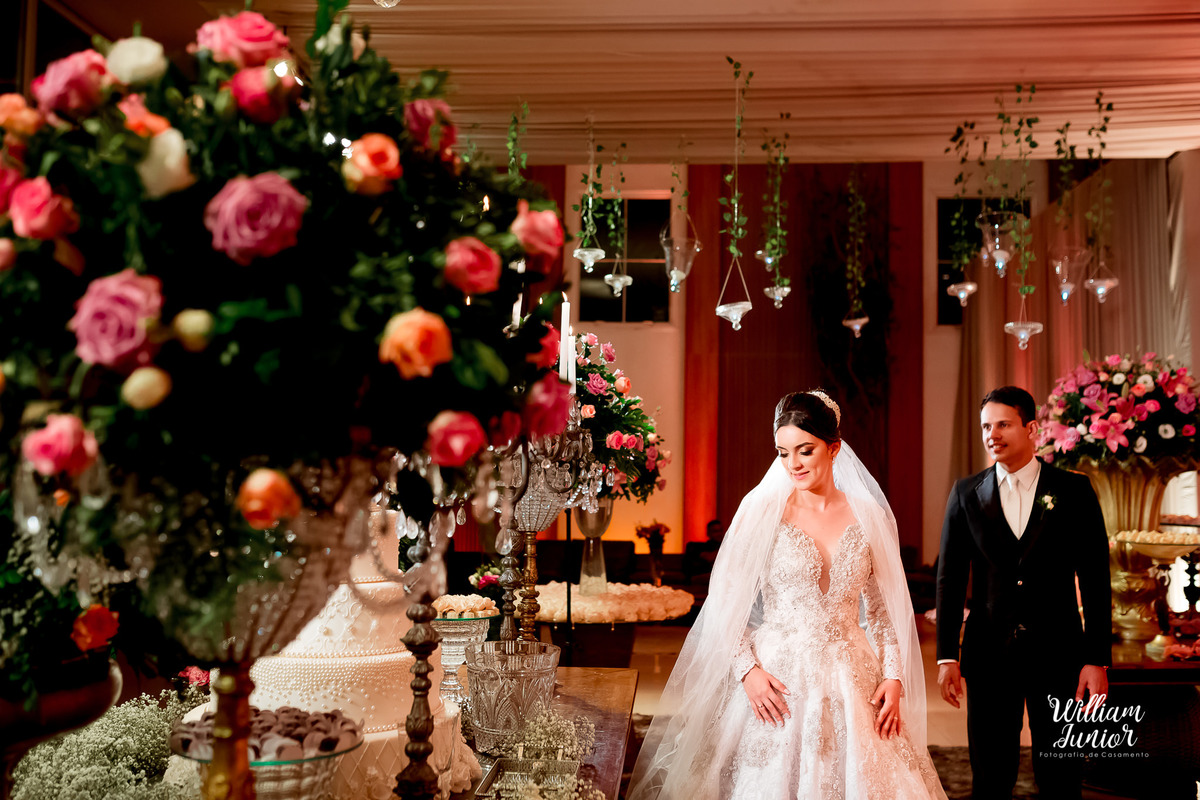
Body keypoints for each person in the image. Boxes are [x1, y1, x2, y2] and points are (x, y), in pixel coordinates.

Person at [628, 391, 947, 799]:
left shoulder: (868, 514)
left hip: (854, 682)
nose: (792, 463)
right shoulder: (762, 511)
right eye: (783, 452)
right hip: (776, 681)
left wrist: (894, 675)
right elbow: (726, 606)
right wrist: (748, 673)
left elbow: (882, 613)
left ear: (834, 448)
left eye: (805, 450)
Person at [935, 386, 1111, 800]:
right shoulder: (965, 493)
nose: (992, 434)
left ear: (1032, 429)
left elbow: (1095, 578)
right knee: (991, 777)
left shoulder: (1074, 491)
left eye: (1003, 424)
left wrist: (1096, 659)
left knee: (1061, 777)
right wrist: (947, 656)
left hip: (1060, 654)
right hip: (988, 655)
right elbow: (950, 579)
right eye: (986, 426)